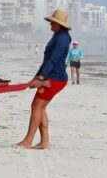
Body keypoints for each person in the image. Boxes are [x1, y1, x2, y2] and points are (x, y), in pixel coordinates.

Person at [16, 9, 72, 150]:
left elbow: (53, 60)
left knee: (36, 106)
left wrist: (41, 78)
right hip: (51, 76)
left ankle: (28, 141)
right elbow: (46, 60)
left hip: (55, 78)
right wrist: (37, 76)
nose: (50, 25)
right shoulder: (58, 36)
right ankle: (44, 142)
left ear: (59, 24)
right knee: (40, 108)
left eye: (52, 22)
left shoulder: (62, 38)